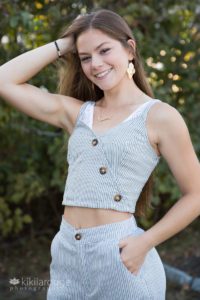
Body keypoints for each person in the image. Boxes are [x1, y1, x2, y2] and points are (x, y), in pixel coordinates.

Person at [0, 8, 200, 300]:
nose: (96, 64)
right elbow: (4, 80)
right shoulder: (78, 113)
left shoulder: (159, 116)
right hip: (66, 254)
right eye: (85, 57)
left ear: (130, 49)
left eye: (105, 50)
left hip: (120, 257)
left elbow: (195, 194)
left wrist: (145, 242)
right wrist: (67, 43)